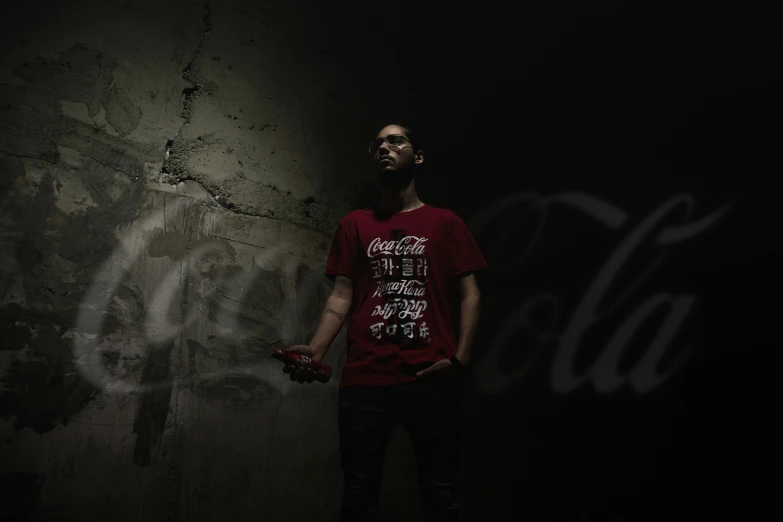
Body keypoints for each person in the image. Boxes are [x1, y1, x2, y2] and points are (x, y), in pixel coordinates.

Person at [281, 123, 486, 522]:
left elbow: (471, 295)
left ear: (418, 156)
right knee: (358, 501)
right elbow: (342, 294)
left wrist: (459, 362)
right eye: (377, 144)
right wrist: (316, 349)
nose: (384, 148)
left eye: (395, 140)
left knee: (441, 501)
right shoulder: (354, 225)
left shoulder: (446, 223)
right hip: (365, 381)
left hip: (431, 378)